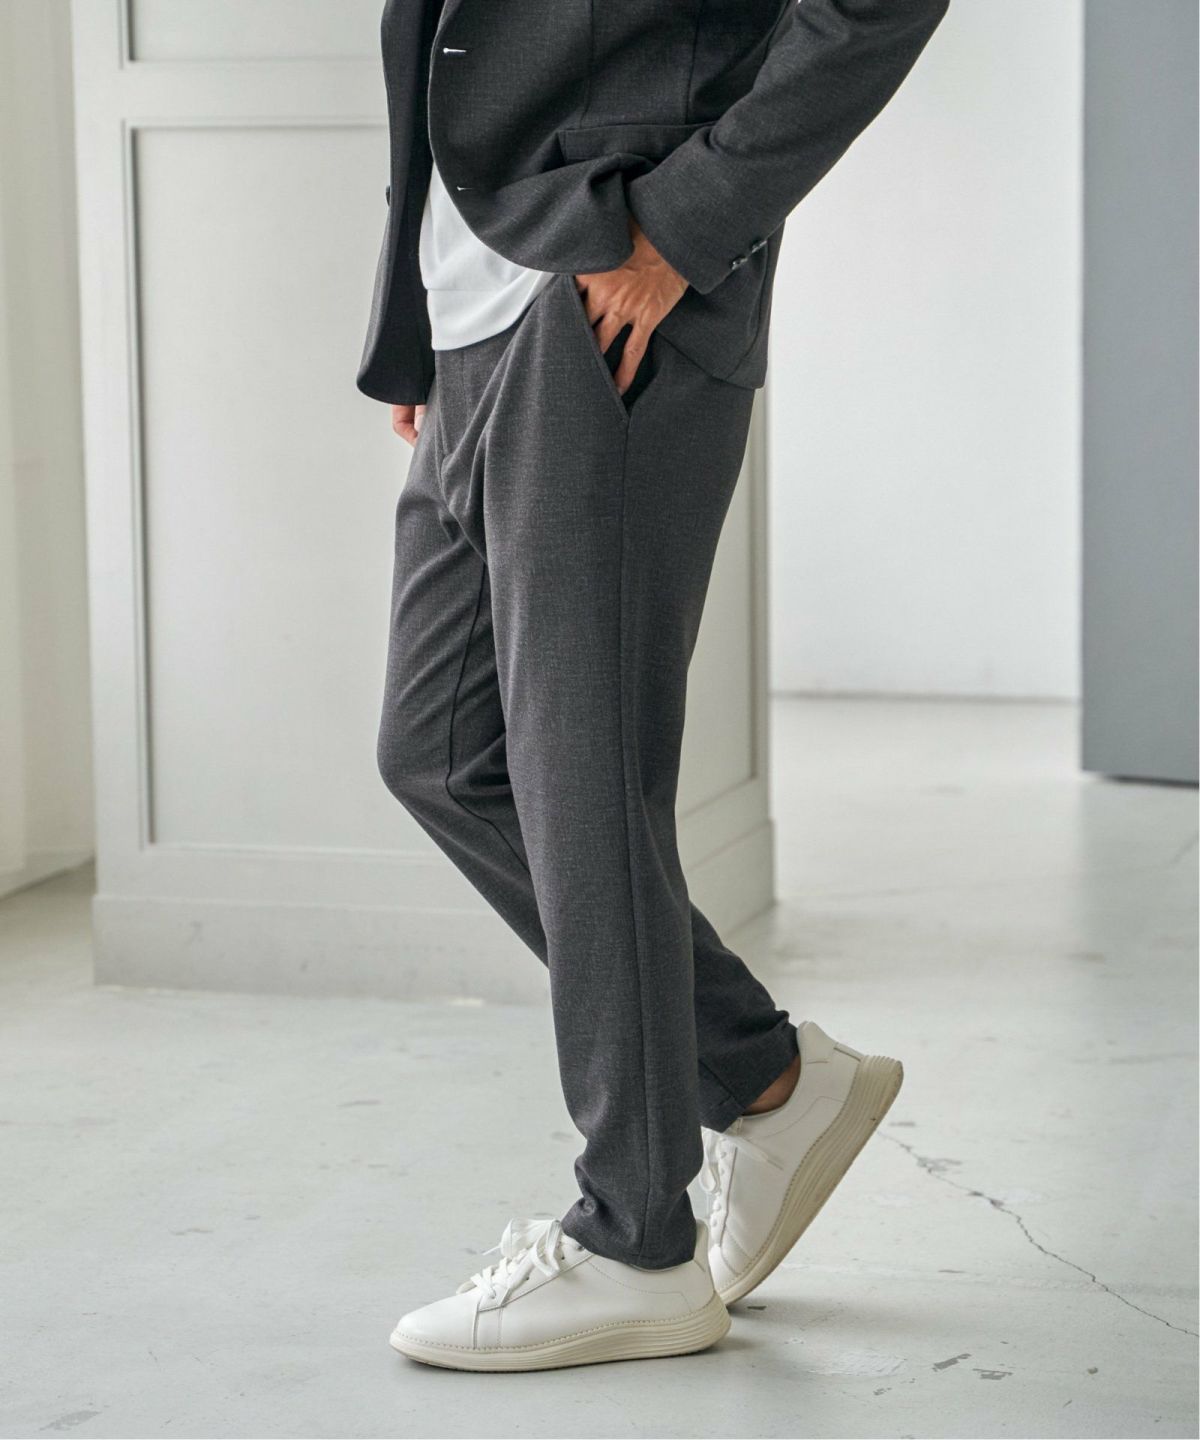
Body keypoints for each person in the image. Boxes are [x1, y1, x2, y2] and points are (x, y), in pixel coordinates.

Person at [359, 0, 948, 1373]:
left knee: (582, 780)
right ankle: (765, 1077)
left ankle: (638, 1244)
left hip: (609, 295)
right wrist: (417, 311)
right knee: (440, 755)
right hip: (478, 305)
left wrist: (683, 226)